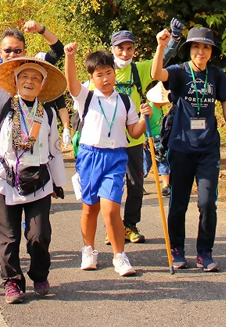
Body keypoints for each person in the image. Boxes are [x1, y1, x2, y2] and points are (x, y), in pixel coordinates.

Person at [0, 29, 67, 305]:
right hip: (6, 179)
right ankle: (12, 282)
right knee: (9, 237)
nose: (29, 82)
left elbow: (54, 151)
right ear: (15, 82)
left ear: (42, 85)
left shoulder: (48, 112)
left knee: (39, 235)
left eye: (35, 78)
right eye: (23, 77)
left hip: (39, 180)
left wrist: (59, 183)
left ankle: (39, 275)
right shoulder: (2, 103)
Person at [152, 26, 226, 272]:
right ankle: (177, 249)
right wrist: (161, 46)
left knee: (206, 203)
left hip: (208, 149)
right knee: (179, 202)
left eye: (205, 47)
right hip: (181, 147)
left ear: (211, 51)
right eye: (196, 47)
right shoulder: (179, 72)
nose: (200, 52)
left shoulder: (217, 75)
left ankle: (205, 252)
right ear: (189, 50)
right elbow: (156, 73)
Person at [64, 43, 150, 277]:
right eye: (99, 75)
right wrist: (69, 57)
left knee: (111, 209)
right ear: (91, 77)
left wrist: (144, 118)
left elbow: (134, 132)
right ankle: (88, 250)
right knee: (90, 208)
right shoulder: (86, 97)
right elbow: (71, 84)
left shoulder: (125, 101)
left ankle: (119, 256)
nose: (105, 79)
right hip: (90, 156)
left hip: (115, 158)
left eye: (108, 73)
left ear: (114, 71)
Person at [109, 29, 153, 245]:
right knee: (112, 186)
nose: (125, 53)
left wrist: (169, 41)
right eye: (120, 48)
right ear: (112, 49)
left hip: (134, 139)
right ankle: (113, 227)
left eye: (129, 49)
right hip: (110, 141)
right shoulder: (104, 70)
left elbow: (160, 65)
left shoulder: (139, 70)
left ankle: (130, 226)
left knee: (136, 184)